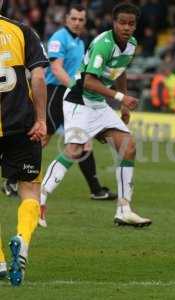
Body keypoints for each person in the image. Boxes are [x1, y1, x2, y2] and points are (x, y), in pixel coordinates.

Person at [40, 3, 152, 227]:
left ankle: (124, 209)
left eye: (131, 23)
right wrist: (121, 99)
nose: (127, 27)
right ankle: (38, 201)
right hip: (79, 100)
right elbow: (90, 81)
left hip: (98, 104)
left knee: (128, 145)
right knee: (75, 150)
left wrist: (125, 105)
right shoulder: (103, 44)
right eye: (122, 22)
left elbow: (121, 71)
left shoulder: (130, 45)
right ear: (114, 23)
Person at [39, 4, 117, 228]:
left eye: (81, 20)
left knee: (84, 142)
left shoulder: (81, 42)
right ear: (66, 19)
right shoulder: (59, 38)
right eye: (74, 19)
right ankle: (14, 179)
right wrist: (76, 86)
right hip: (56, 92)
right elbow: (56, 69)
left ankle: (96, 190)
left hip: (74, 96)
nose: (77, 23)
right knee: (43, 138)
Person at [0, 4, 49, 285]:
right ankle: (23, 240)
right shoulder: (22, 30)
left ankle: (0, 263)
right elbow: (39, 77)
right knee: (30, 190)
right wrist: (41, 119)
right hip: (22, 124)